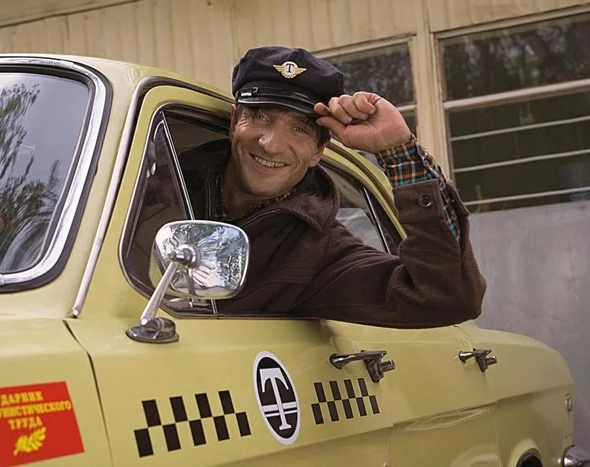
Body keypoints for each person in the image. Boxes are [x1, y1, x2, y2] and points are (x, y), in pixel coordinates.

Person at [180, 46, 485, 328]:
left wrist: (398, 149)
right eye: (260, 117)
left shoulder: (319, 253)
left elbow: (446, 297)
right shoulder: (154, 179)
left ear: (318, 151)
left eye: (299, 128)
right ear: (235, 122)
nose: (271, 145)